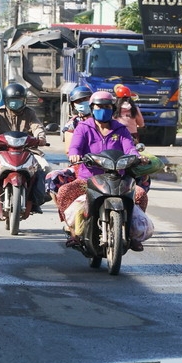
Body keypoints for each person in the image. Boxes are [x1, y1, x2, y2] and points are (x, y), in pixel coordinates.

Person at [55, 91, 150, 251]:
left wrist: (137, 157)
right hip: (88, 180)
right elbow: (75, 147)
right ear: (92, 108)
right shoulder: (83, 128)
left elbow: (129, 148)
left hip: (117, 179)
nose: (103, 109)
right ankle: (74, 233)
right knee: (64, 191)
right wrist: (74, 155)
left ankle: (133, 235)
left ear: (113, 108)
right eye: (99, 106)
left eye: (107, 106)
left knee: (140, 195)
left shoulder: (120, 129)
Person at [0, 83, 50, 213]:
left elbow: (37, 127)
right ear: (6, 100)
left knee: (45, 167)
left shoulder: (30, 113)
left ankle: (37, 198)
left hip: (27, 150)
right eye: (12, 101)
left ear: (25, 100)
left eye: (19, 101)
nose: (15, 104)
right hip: (2, 150)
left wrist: (41, 137)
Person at [62, 86, 93, 154]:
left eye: (85, 99)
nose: (82, 103)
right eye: (79, 101)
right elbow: (68, 150)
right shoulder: (72, 123)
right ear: (74, 105)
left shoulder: (100, 121)